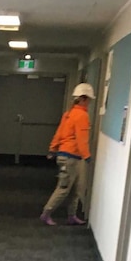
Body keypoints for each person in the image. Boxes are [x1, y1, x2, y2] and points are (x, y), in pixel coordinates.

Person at [40, 83, 95, 226]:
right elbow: (81, 139)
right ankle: (46, 213)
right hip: (71, 157)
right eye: (89, 99)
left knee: (76, 188)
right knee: (63, 188)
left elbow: (59, 133)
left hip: (66, 155)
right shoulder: (81, 116)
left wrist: (53, 148)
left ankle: (72, 215)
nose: (89, 103)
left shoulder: (68, 114)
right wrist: (87, 156)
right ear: (83, 99)